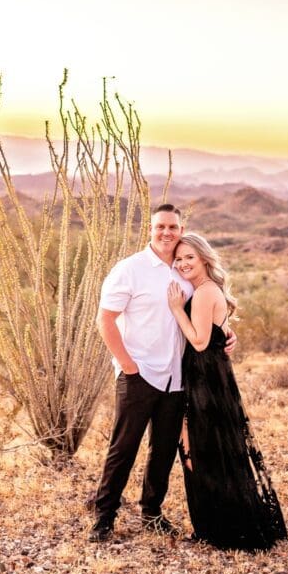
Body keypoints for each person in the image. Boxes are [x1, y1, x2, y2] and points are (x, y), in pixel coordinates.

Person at [90, 204, 236, 543]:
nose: (167, 233)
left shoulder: (184, 270)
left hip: (177, 376)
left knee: (164, 449)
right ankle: (104, 517)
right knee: (123, 448)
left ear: (182, 229)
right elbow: (105, 320)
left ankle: (151, 513)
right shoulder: (130, 269)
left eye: (173, 227)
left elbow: (206, 311)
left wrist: (226, 335)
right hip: (139, 374)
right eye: (160, 227)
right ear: (150, 229)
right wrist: (128, 366)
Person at [167, 232, 288, 551]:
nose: (182, 264)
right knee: (205, 447)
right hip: (207, 375)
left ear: (205, 258)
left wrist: (177, 308)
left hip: (206, 379)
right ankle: (214, 523)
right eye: (178, 259)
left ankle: (222, 526)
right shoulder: (205, 290)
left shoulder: (205, 292)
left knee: (201, 447)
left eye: (189, 257)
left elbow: (200, 341)